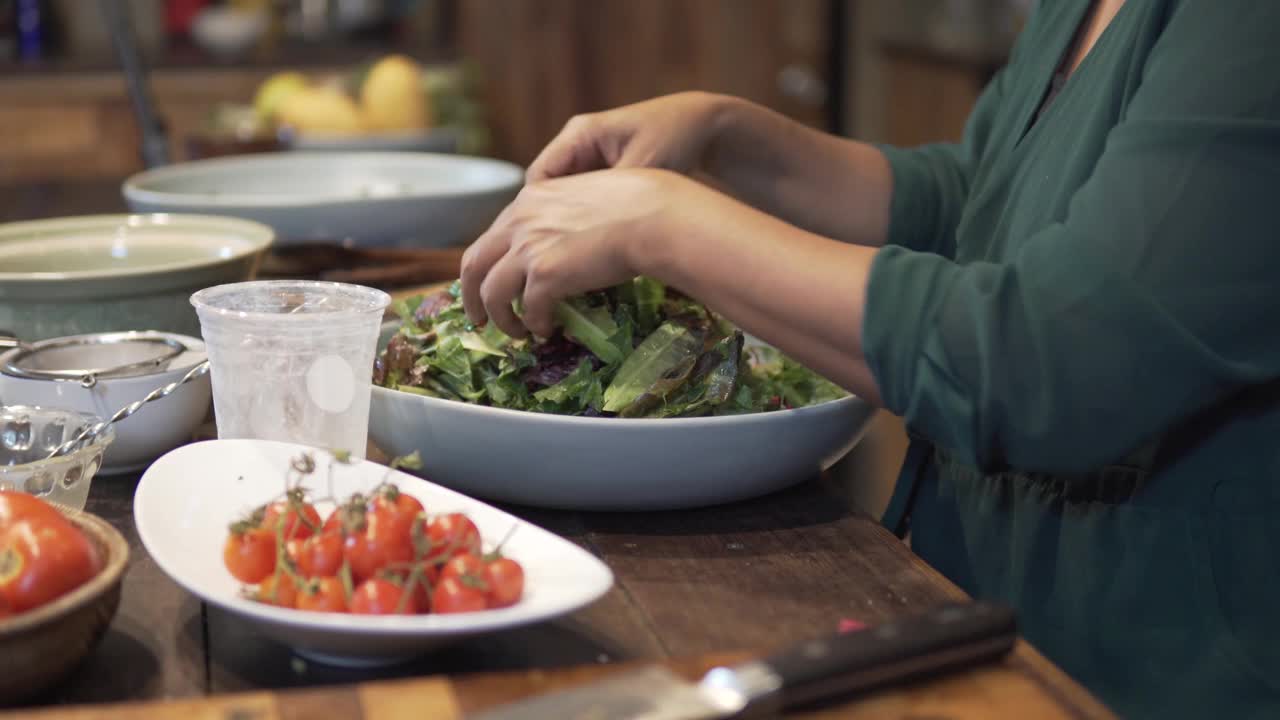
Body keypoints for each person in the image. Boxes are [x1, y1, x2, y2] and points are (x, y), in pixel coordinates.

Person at [459, 1, 1280, 716]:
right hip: (977, 639)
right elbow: (982, 202)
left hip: (1144, 681)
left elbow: (1056, 360)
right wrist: (731, 136)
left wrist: (665, 225)